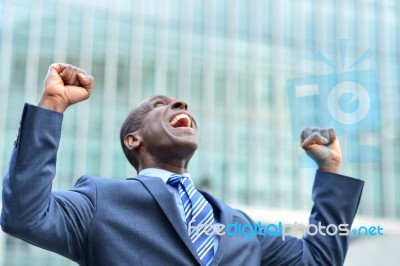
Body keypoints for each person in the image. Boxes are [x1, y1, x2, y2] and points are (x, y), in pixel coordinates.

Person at [1, 63, 364, 266]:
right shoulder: (100, 201)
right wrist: (51, 106)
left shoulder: (238, 225)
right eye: (162, 104)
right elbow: (24, 215)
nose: (182, 105)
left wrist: (329, 171)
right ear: (134, 139)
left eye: (184, 106)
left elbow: (319, 260)